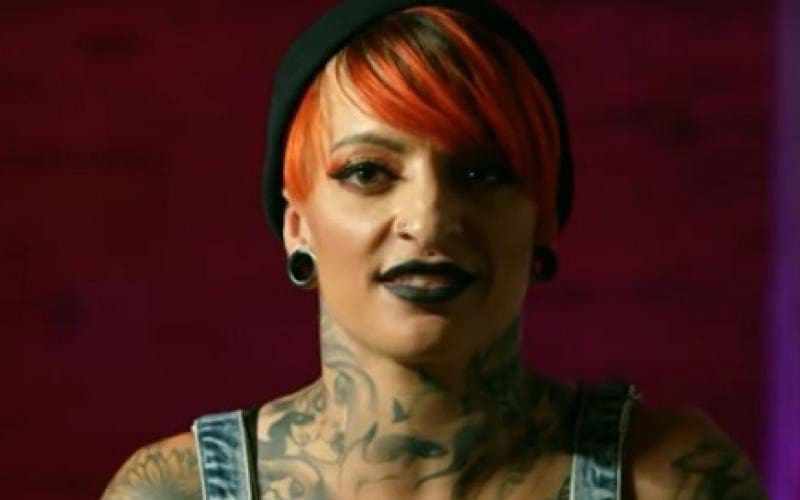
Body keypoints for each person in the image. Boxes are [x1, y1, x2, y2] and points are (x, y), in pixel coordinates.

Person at [101, 1, 767, 499]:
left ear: (543, 216)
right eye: (368, 172)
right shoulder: (173, 492)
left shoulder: (670, 481)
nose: (430, 219)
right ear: (297, 225)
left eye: (482, 172)